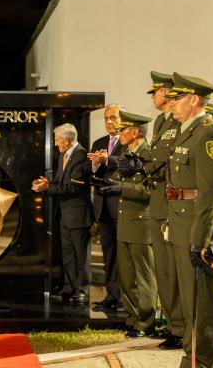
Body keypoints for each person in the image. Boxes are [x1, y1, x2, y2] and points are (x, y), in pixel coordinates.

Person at [165, 72, 213, 368]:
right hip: (182, 221)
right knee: (189, 298)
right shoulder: (186, 131)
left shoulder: (208, 134)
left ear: (192, 100)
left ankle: (204, 360)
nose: (171, 103)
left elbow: (210, 192)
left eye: (177, 98)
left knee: (202, 301)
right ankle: (192, 355)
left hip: (198, 225)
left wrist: (199, 238)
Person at [101, 111, 157, 337]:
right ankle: (133, 317)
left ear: (135, 132)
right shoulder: (127, 154)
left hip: (141, 223)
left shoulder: (149, 155)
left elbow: (152, 191)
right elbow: (121, 181)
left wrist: (122, 188)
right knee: (126, 275)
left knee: (143, 276)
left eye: (123, 129)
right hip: (125, 221)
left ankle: (146, 321)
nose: (119, 133)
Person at [143, 71, 184, 348]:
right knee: (163, 270)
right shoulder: (160, 121)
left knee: (172, 269)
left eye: (155, 91)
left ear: (167, 93)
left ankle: (179, 327)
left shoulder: (178, 122)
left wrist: (144, 163)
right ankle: (171, 322)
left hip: (171, 204)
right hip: (157, 202)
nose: (153, 96)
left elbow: (166, 160)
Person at [32, 123, 93, 304]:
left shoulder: (81, 155)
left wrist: (48, 188)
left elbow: (72, 187)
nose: (56, 144)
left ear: (66, 141)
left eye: (58, 140)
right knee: (68, 255)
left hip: (78, 214)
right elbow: (61, 181)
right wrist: (48, 183)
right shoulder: (63, 155)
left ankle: (82, 290)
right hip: (65, 213)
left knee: (81, 255)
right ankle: (69, 288)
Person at [87, 104, 124, 311]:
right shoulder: (99, 143)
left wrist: (108, 159)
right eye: (106, 118)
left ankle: (123, 299)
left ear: (122, 118)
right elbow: (91, 171)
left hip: (120, 204)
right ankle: (111, 296)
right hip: (102, 205)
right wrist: (95, 163)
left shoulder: (128, 140)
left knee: (123, 254)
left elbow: (129, 164)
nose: (109, 122)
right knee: (108, 252)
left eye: (113, 117)